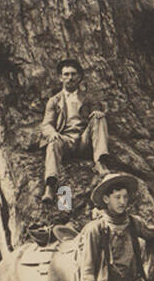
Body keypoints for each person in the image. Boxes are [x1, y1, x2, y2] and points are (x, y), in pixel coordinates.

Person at [40, 57, 111, 202]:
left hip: (84, 140)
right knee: (52, 143)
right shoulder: (54, 101)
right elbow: (46, 124)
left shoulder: (88, 98)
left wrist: (98, 113)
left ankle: (100, 163)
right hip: (65, 140)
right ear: (60, 78)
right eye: (66, 74)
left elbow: (98, 113)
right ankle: (50, 185)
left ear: (79, 77)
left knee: (99, 118)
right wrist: (52, 133)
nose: (70, 78)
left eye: (73, 74)